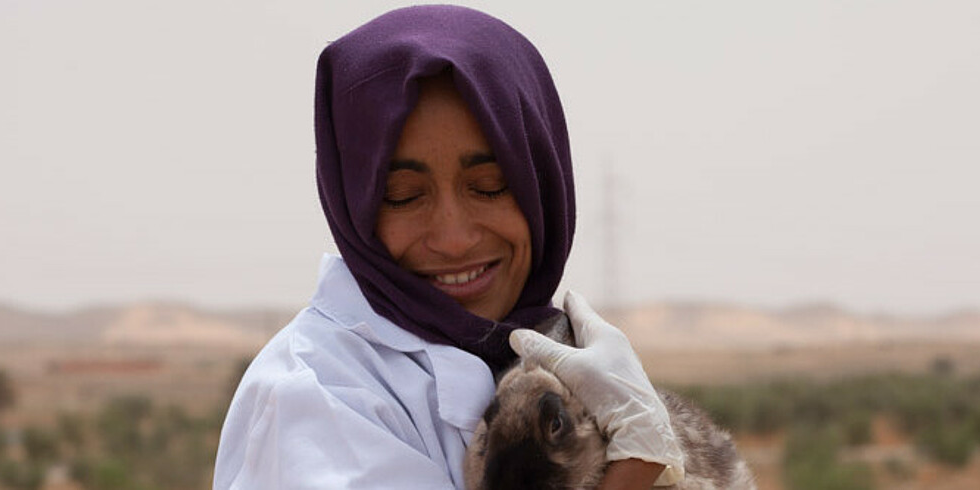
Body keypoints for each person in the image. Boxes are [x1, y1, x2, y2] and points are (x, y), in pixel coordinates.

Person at [212, 5, 684, 489]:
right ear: (353, 205)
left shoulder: (547, 359)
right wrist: (636, 468)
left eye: (490, 186)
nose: (454, 238)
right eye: (403, 196)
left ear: (542, 181)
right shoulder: (316, 399)